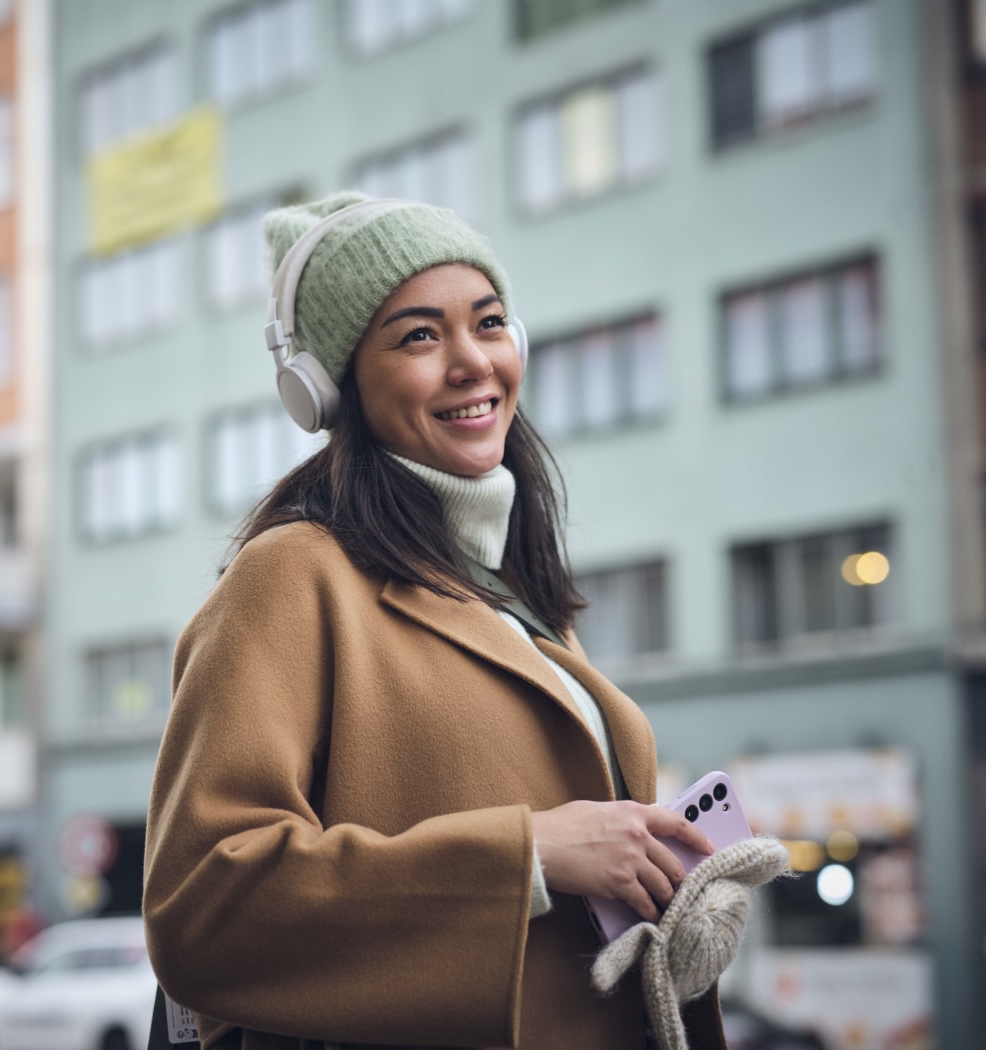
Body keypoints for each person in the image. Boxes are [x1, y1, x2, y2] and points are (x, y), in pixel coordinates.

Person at [143, 192, 727, 1049]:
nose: (471, 362)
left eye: (488, 323)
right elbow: (202, 907)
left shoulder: (513, 593)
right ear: (329, 387)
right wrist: (523, 856)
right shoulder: (292, 576)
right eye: (419, 336)